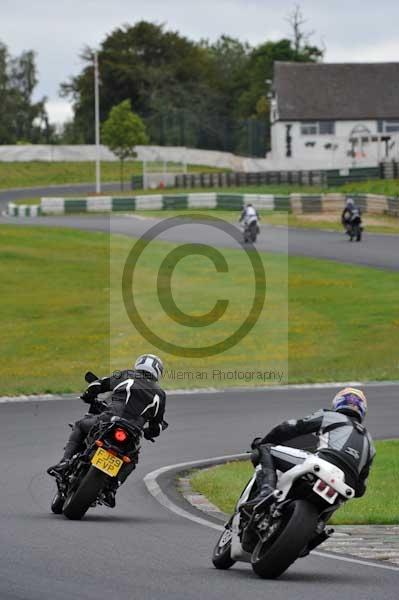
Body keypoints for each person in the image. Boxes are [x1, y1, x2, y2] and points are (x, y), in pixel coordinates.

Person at [47, 353, 167, 507]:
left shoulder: (126, 375)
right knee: (132, 460)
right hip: (132, 433)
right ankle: (112, 488)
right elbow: (157, 426)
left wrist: (88, 395)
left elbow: (98, 385)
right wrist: (148, 432)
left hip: (109, 420)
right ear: (158, 372)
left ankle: (64, 462)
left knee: (80, 425)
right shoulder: (160, 394)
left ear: (139, 364)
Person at [244, 387, 375, 513]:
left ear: (338, 403)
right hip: (344, 486)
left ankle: (265, 492)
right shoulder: (370, 443)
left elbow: (290, 427)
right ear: (363, 410)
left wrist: (264, 441)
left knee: (266, 449)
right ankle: (317, 528)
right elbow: (359, 490)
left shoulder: (330, 416)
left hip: (323, 464)